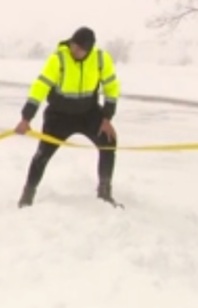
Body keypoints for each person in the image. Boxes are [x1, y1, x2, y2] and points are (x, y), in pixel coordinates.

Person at [14, 26, 121, 208]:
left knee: (109, 142)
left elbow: (112, 88)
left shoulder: (101, 59)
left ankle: (105, 192)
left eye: (80, 48)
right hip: (59, 116)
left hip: (88, 113)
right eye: (73, 45)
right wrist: (26, 118)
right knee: (42, 155)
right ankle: (27, 195)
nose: (74, 50)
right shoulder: (58, 59)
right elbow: (40, 87)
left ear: (88, 49)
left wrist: (107, 119)